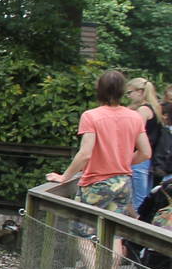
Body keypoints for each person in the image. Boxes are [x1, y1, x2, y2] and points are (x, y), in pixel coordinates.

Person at [46, 70, 150, 217]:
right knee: (112, 227)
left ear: (99, 90)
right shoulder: (135, 117)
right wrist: (121, 162)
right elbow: (146, 153)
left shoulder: (91, 116)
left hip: (97, 183)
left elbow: (85, 154)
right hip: (123, 182)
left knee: (85, 228)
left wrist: (64, 177)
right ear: (122, 91)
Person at [125, 77, 163, 210]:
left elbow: (134, 132)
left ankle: (136, 221)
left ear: (140, 92)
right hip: (150, 157)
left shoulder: (143, 110)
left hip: (139, 156)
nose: (128, 96)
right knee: (145, 196)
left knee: (137, 199)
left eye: (130, 92)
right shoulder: (155, 108)